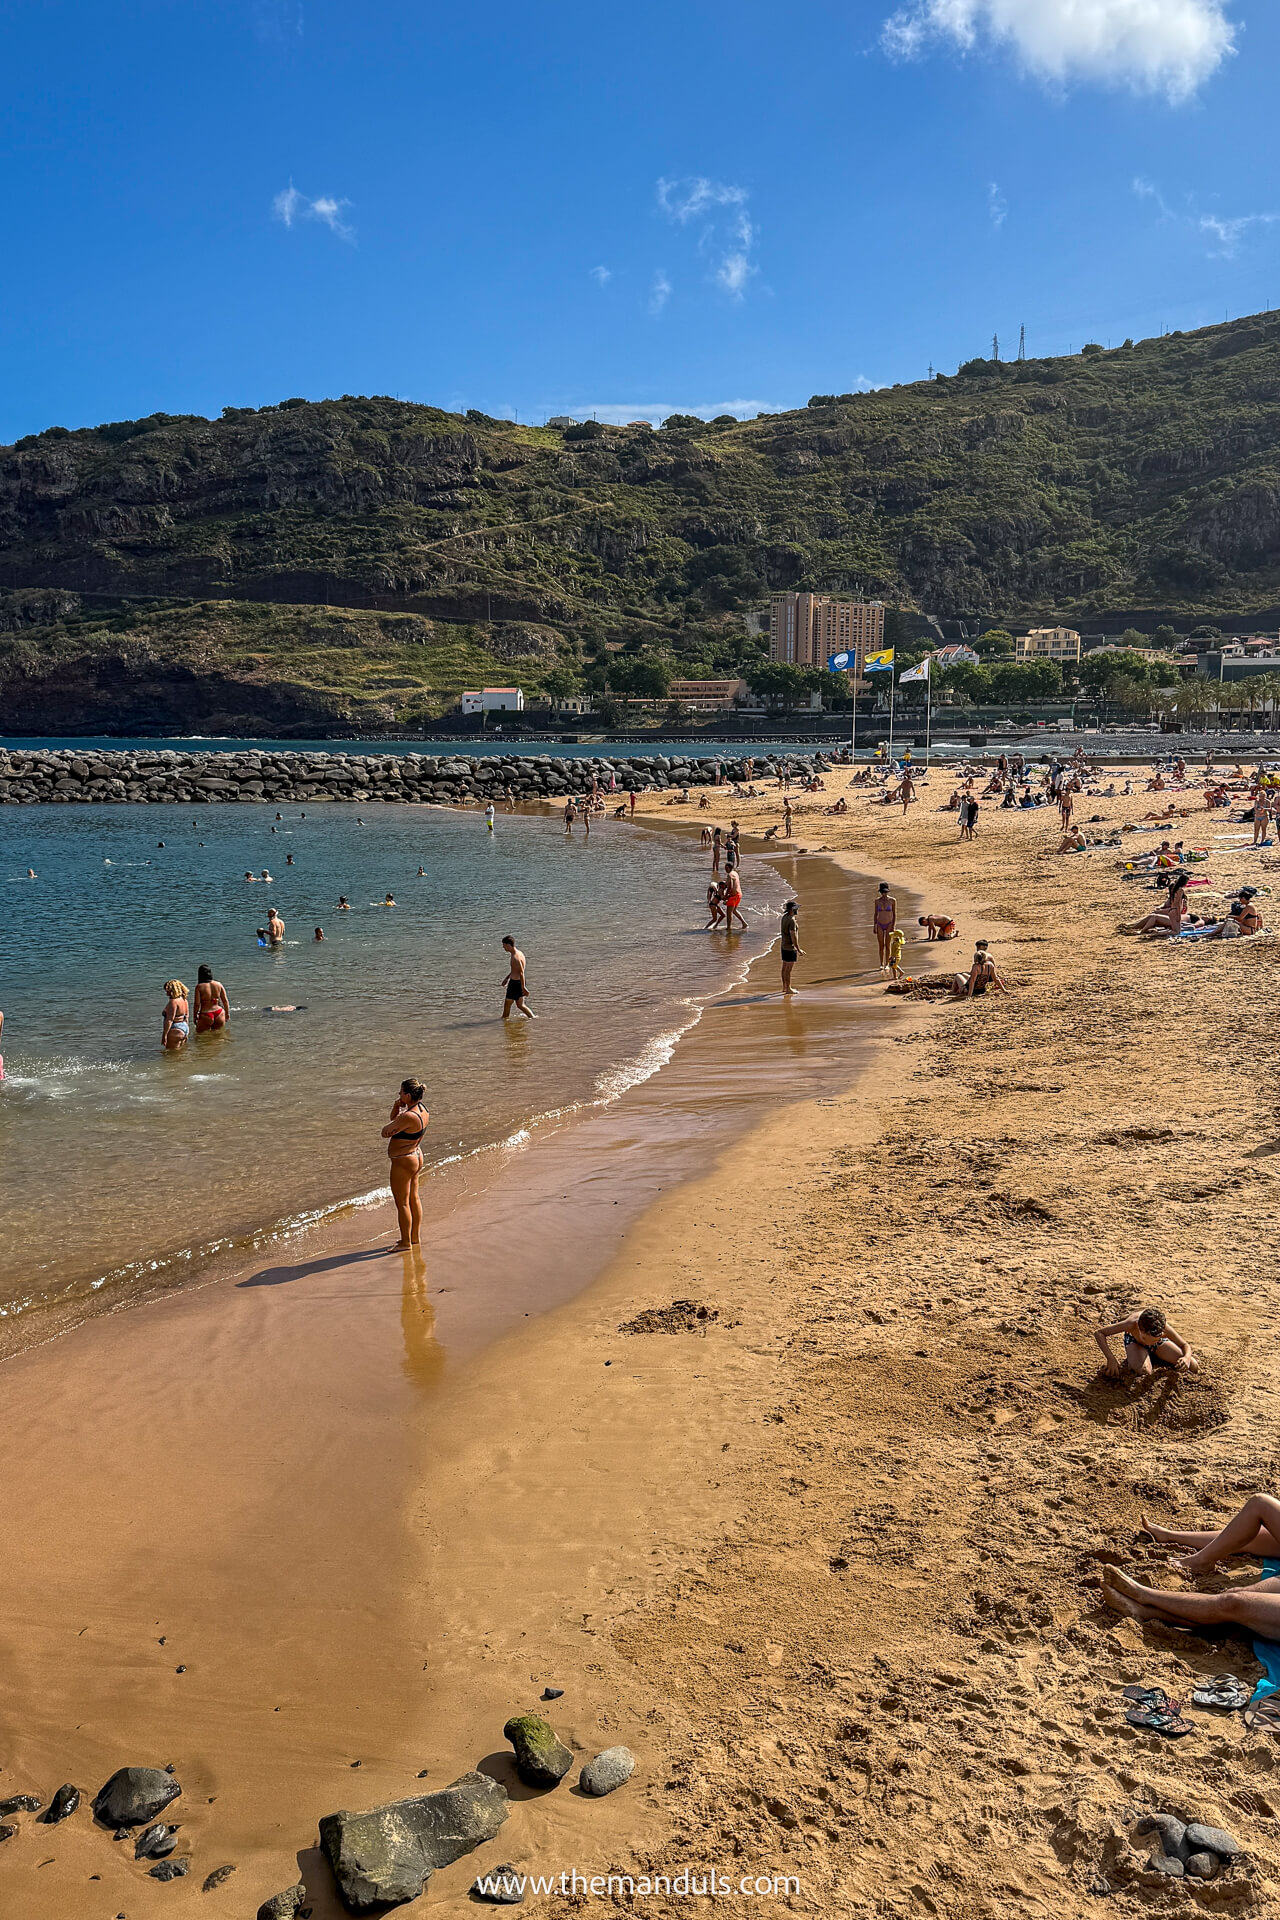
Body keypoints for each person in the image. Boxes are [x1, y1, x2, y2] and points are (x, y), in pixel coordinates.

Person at [382, 1077, 428, 1249]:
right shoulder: (422, 1110)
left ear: (408, 1095)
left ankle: (405, 1242)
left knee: (402, 1203)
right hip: (415, 1155)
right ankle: (414, 1237)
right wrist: (397, 1108)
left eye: (401, 1092)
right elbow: (396, 1122)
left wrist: (398, 1112)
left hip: (403, 1161)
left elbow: (385, 1132)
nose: (398, 1094)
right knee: (413, 1197)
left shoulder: (408, 1116)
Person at [1095, 1305, 1197, 1378]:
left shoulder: (1163, 1329)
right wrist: (1111, 1358)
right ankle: (1140, 1356)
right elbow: (1099, 1333)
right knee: (1144, 1371)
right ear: (1140, 1330)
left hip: (1159, 1345)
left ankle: (1154, 1355)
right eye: (1145, 1338)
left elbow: (1185, 1344)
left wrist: (1186, 1358)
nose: (1149, 1342)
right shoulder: (1131, 1324)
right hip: (1136, 1343)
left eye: (1153, 1340)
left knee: (1193, 1365)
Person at [501, 934, 535, 1019]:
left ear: (508, 945)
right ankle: (533, 1018)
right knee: (520, 1005)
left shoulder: (515, 957)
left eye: (504, 945)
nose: (503, 948)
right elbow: (515, 969)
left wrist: (523, 987)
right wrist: (507, 978)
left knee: (507, 1004)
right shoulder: (520, 953)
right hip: (517, 982)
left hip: (515, 984)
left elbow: (521, 972)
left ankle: (504, 1023)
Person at [193, 964, 230, 1033]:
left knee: (200, 1037)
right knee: (219, 1036)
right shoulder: (218, 984)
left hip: (206, 1014)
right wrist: (227, 1013)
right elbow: (225, 1001)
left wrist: (195, 1016)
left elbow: (197, 1004)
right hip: (219, 1012)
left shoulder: (199, 987)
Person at [780, 900, 802, 993]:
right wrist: (798, 949)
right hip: (790, 948)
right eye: (796, 908)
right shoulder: (792, 921)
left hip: (783, 946)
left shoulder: (784, 917)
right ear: (792, 909)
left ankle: (784, 987)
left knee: (784, 968)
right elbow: (793, 936)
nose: (798, 910)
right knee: (788, 970)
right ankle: (788, 988)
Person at [161, 979, 189, 1051]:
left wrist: (164, 1035)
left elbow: (170, 1020)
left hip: (175, 1028)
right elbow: (186, 1017)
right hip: (184, 1027)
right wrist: (186, 1031)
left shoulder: (173, 1002)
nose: (166, 994)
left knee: (171, 1055)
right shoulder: (184, 1000)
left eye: (168, 991)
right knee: (180, 1053)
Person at [874, 883, 896, 965]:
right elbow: (875, 914)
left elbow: (894, 914)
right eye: (883, 892)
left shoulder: (892, 900)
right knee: (881, 945)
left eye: (885, 892)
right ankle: (881, 964)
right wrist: (875, 925)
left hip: (889, 924)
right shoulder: (877, 901)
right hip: (880, 924)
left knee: (887, 945)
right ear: (880, 892)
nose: (884, 894)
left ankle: (887, 964)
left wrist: (893, 926)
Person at [722, 859, 747, 931]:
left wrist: (726, 896)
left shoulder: (730, 875)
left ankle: (729, 927)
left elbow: (730, 887)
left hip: (734, 895)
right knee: (734, 910)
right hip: (739, 894)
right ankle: (744, 923)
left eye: (726, 868)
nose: (725, 870)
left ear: (730, 868)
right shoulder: (735, 873)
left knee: (729, 912)